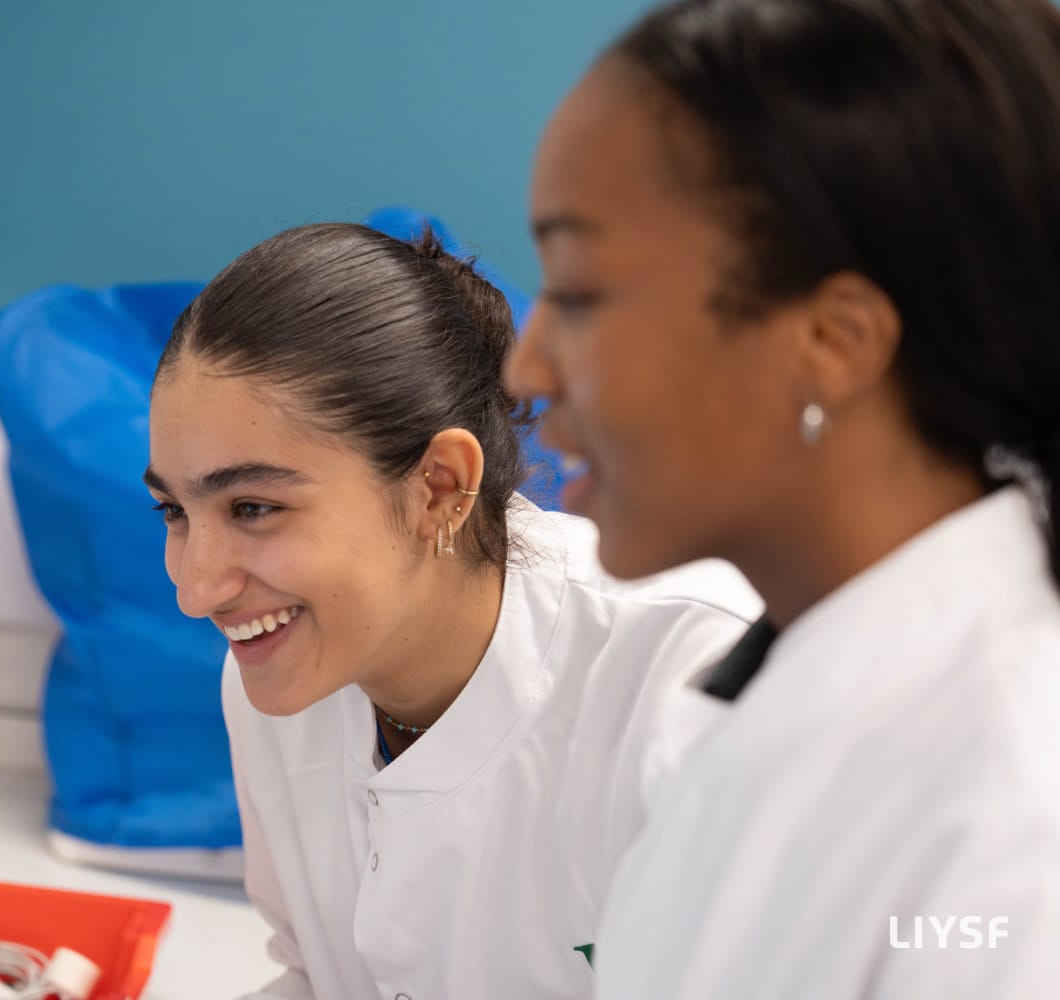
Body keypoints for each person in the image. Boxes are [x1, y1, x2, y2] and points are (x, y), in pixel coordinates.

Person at [502, 1, 1060, 996]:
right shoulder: (772, 688)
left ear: (834, 342)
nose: (526, 363)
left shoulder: (1015, 812)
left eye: (580, 292)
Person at [144, 221, 760, 998]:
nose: (197, 591)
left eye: (255, 507)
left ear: (438, 486)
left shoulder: (690, 678)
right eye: (173, 512)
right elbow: (315, 976)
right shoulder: (276, 667)